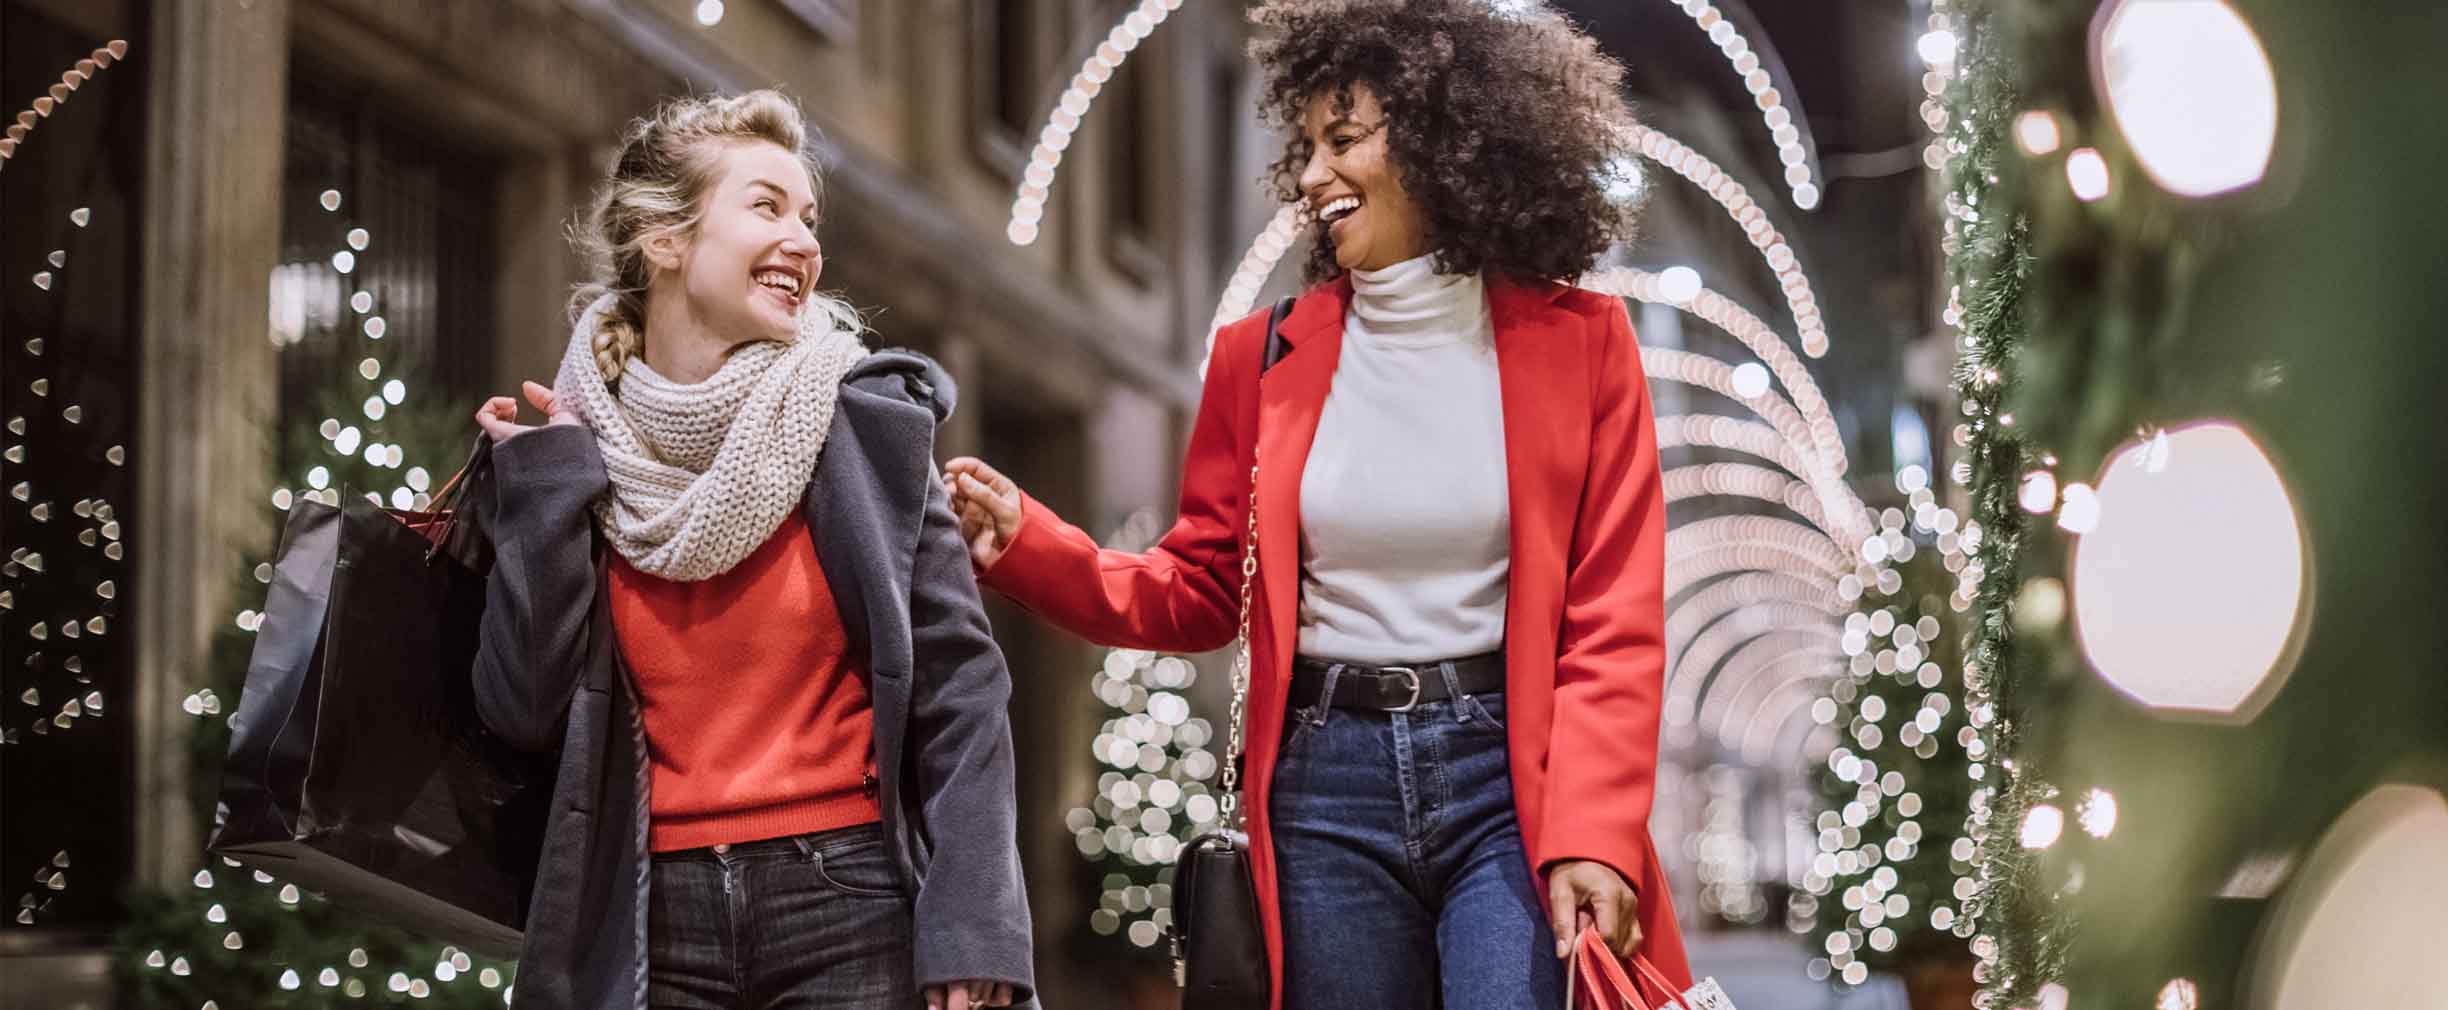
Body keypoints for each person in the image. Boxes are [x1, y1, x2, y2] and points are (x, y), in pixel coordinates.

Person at [944, 2, 1691, 1007]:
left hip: (1514, 783)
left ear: (1441, 138)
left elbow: (1614, 621)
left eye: (1344, 141)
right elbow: (1203, 586)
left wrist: (1595, 833)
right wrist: (1031, 543)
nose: (1309, 176)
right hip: (1321, 787)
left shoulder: (1587, 343)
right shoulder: (1258, 358)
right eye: (1307, 147)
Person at [468, 89, 1032, 1010]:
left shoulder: (862, 421)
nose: (806, 242)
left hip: (850, 903)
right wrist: (542, 494)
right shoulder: (574, 446)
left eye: (810, 218)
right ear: (666, 240)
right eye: (767, 206)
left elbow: (963, 690)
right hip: (647, 915)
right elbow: (522, 709)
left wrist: (975, 923)